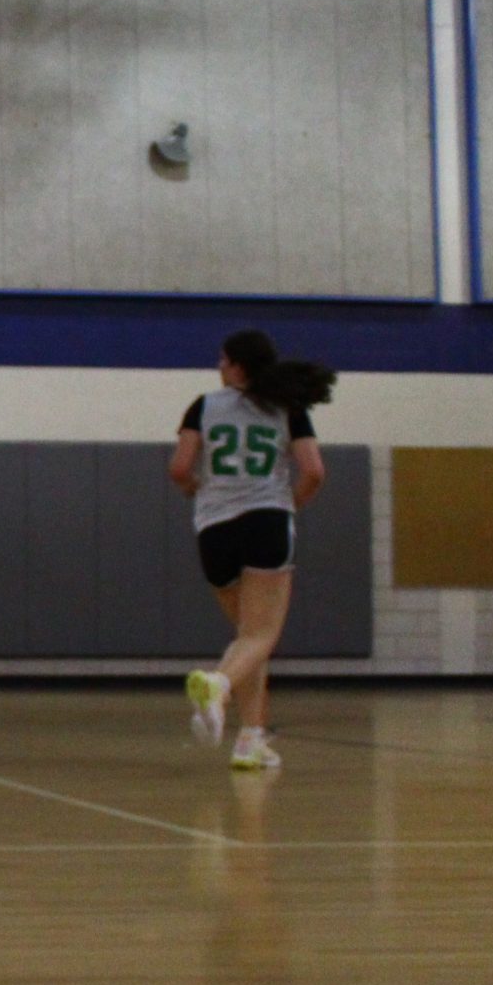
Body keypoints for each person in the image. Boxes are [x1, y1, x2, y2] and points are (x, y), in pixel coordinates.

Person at [170, 328, 335, 771]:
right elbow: (314, 471)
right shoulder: (287, 408)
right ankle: (218, 684)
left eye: (223, 360)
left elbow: (180, 467)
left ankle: (250, 740)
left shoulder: (202, 406)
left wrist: (192, 489)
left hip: (213, 528)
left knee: (249, 639)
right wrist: (290, 503)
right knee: (260, 637)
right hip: (266, 520)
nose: (218, 368)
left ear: (239, 365)